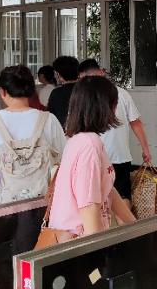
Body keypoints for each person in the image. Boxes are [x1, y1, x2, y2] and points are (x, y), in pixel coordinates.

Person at [47, 76, 136, 239]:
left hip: (75, 236)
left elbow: (108, 189)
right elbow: (88, 206)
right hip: (78, 240)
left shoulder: (79, 139)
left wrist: (134, 225)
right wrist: (96, 246)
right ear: (105, 107)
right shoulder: (89, 146)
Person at [0, 66, 66, 204]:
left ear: (2, 91)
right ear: (32, 90)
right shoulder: (49, 119)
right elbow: (63, 161)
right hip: (44, 204)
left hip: (4, 206)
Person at [78, 58, 152, 202]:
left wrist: (146, 149)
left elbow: (136, 123)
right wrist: (145, 149)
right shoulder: (121, 93)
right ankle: (125, 217)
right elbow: (136, 123)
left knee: (97, 198)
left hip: (99, 158)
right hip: (116, 156)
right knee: (122, 197)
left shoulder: (83, 97)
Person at [47, 56, 80, 129]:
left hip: (64, 132)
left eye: (55, 73)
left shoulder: (57, 93)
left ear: (59, 75)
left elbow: (51, 117)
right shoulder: (86, 90)